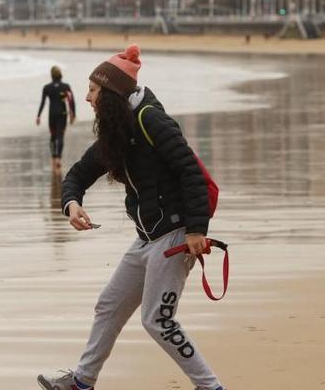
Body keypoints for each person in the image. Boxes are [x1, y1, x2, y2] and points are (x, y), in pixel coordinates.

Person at [37, 45, 225, 390]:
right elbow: (78, 173)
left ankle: (210, 386)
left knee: (157, 320)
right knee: (108, 305)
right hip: (147, 236)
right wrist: (71, 204)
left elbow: (191, 173)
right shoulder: (118, 130)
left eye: (93, 90)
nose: (88, 97)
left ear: (110, 93)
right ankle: (82, 381)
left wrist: (196, 229)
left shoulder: (151, 119)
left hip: (175, 234)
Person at [36, 66, 76, 173]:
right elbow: (71, 101)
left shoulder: (47, 88)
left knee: (53, 136)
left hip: (52, 114)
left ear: (51, 75)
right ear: (60, 74)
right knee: (60, 135)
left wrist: (38, 116)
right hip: (62, 113)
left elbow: (43, 102)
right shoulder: (65, 87)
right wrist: (73, 114)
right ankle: (59, 157)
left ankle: (53, 157)